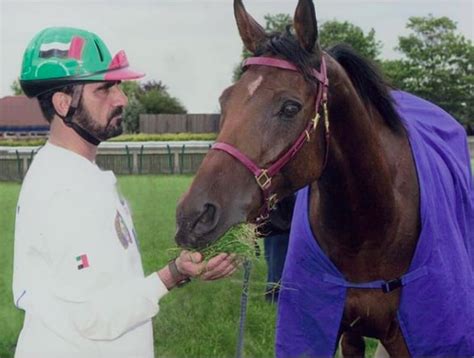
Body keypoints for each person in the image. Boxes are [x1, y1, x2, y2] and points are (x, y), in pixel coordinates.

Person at [12, 27, 237, 358]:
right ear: (63, 103)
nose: (122, 99)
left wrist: (179, 270)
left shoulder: (79, 173)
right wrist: (173, 273)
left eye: (118, 86)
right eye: (104, 89)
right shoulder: (64, 192)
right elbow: (94, 317)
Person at [259, 194, 295, 303]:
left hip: (279, 220)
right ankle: (275, 295)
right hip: (279, 221)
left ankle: (275, 293)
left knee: (275, 256)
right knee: (276, 257)